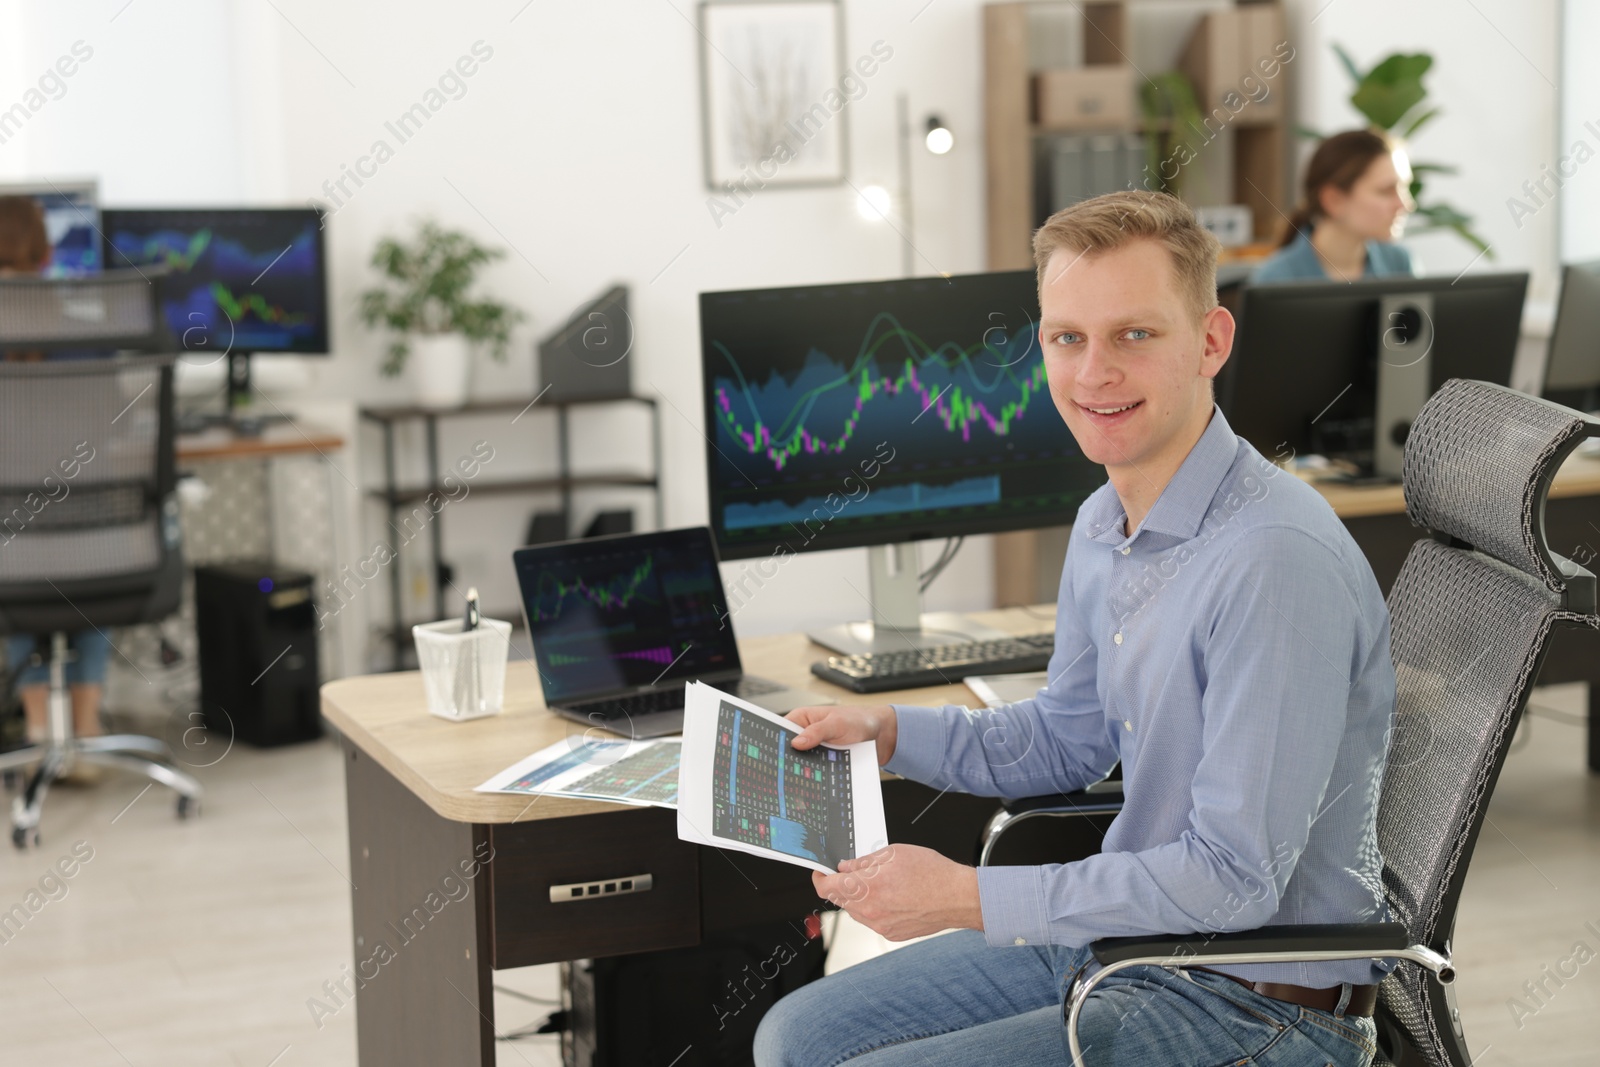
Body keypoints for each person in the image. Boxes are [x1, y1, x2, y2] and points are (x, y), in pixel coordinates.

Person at [754, 190, 1397, 1067]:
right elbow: (1066, 736)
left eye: (1134, 334)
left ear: (1210, 341)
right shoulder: (1107, 520)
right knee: (792, 1033)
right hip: (1136, 946)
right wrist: (889, 731)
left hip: (1259, 1005)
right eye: (1068, 337)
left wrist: (970, 895)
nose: (1093, 372)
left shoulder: (1272, 560)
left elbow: (1234, 877)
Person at [0, 194, 112, 762]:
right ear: (46, 255)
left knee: (18, 554)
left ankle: (40, 728)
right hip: (94, 544)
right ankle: (89, 730)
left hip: (10, 553)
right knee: (95, 537)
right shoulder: (87, 337)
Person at [1250, 128, 1415, 284]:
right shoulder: (1276, 279)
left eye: (1403, 189)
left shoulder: (1400, 264)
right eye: (1385, 191)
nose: (1405, 205)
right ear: (1333, 200)